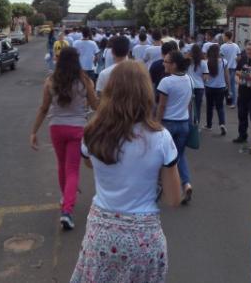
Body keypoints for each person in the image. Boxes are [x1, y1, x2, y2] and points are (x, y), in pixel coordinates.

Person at [70, 60, 181, 283]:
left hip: (101, 236)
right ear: (146, 93)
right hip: (143, 240)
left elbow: (90, 163)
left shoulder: (92, 131)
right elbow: (174, 199)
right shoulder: (160, 138)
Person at [29, 47, 98, 230]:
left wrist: (34, 132)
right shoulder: (84, 81)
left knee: (62, 165)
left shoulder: (51, 81)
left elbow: (44, 108)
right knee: (73, 170)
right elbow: (96, 106)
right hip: (77, 128)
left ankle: (65, 198)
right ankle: (67, 211)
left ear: (59, 60)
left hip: (56, 128)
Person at [156, 50, 194, 204]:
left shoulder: (166, 82)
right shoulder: (189, 79)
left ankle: (159, 186)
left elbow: (161, 106)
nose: (163, 64)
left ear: (174, 65)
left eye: (166, 62)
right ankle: (186, 184)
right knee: (180, 155)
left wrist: (156, 123)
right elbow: (189, 103)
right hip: (183, 122)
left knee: (161, 156)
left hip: (167, 123)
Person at [234, 41, 251, 146]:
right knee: (241, 115)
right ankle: (242, 135)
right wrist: (239, 78)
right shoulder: (243, 59)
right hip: (242, 91)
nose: (249, 51)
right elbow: (236, 71)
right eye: (247, 49)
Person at [203, 44, 230, 136]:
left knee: (209, 106)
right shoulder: (223, 61)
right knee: (220, 107)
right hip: (221, 87)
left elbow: (205, 76)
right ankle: (222, 124)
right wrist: (228, 86)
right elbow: (226, 75)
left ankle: (209, 125)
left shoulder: (207, 62)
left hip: (209, 87)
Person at [187, 43, 208, 126]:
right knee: (197, 107)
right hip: (199, 87)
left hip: (189, 86)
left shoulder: (188, 62)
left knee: (189, 107)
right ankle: (196, 125)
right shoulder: (203, 62)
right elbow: (205, 77)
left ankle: (189, 124)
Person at [220, 31, 241, 108]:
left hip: (224, 68)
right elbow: (239, 57)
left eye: (223, 36)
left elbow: (221, 57)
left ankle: (222, 101)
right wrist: (235, 61)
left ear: (226, 37)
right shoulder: (236, 46)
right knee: (232, 85)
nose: (223, 38)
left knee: (223, 85)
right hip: (233, 68)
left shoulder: (222, 46)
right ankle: (233, 102)